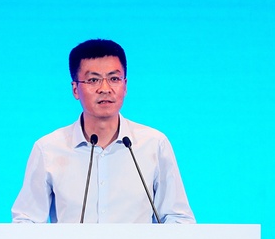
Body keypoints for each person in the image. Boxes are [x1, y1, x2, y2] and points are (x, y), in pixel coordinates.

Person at [11, 39, 195, 224]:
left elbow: (178, 218)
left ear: (125, 86)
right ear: (75, 90)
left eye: (114, 79)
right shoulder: (48, 149)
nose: (105, 89)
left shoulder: (154, 144)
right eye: (93, 80)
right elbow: (26, 222)